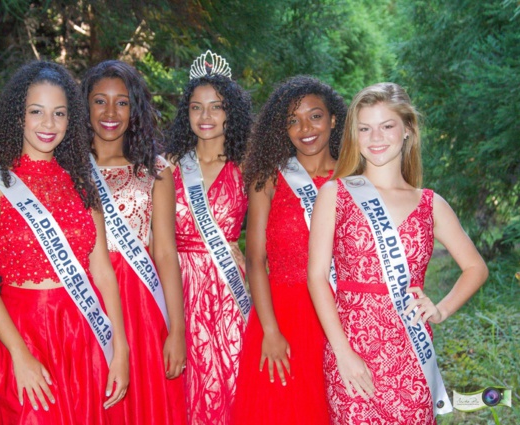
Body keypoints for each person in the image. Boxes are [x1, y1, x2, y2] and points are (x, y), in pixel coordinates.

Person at [308, 82, 488, 424]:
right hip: (351, 350)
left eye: (387, 125)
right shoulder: (336, 193)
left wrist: (441, 310)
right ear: (354, 135)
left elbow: (475, 268)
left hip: (410, 353)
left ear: (407, 129)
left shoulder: (430, 204)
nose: (376, 137)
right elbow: (316, 277)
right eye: (365, 128)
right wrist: (343, 354)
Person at [0, 61, 129, 425]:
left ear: (70, 119)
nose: (48, 124)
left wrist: (120, 347)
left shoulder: (82, 183)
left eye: (59, 113)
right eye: (36, 112)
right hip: (21, 332)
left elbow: (101, 270)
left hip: (82, 332)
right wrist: (19, 355)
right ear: (18, 116)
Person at [233, 75, 347, 424]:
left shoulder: (354, 178)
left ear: (333, 120)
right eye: (292, 121)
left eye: (315, 116)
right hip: (281, 318)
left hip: (342, 315)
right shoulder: (268, 178)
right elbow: (255, 260)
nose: (305, 128)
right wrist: (269, 330)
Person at [81, 60, 186, 425]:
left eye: (122, 102)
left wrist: (176, 328)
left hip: (142, 304)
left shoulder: (155, 170)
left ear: (135, 109)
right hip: (83, 299)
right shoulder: (67, 168)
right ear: (85, 106)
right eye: (100, 101)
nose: (110, 112)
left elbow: (165, 252)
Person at [165, 51, 253, 425]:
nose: (205, 117)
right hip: (177, 286)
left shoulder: (249, 167)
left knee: (232, 384)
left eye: (215, 107)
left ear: (230, 112)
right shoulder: (167, 166)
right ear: (186, 113)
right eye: (196, 108)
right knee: (183, 388)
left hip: (230, 290)